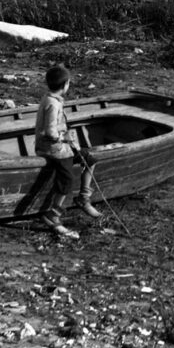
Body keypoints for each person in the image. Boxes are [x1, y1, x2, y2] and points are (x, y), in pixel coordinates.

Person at [34, 64, 101, 238]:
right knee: (67, 179)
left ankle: (83, 198)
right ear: (65, 85)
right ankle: (53, 215)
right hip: (52, 148)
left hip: (59, 145)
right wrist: (65, 139)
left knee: (90, 159)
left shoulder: (51, 99)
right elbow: (50, 132)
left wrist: (67, 137)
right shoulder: (53, 104)